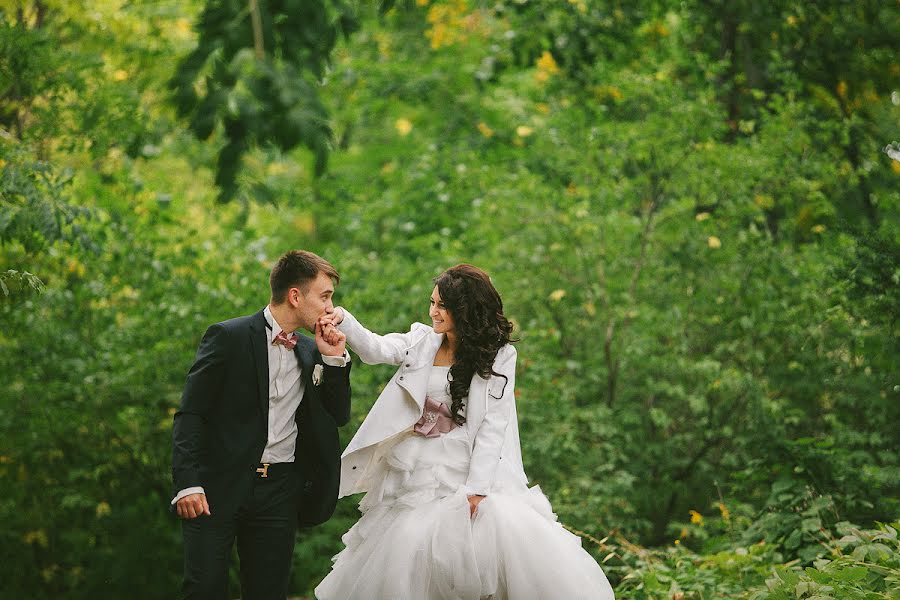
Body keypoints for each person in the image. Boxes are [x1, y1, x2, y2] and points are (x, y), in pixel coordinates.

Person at [314, 264, 614, 599]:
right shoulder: (422, 340)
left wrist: (477, 490)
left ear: (464, 310)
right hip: (415, 465)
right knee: (408, 544)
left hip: (466, 464)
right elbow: (377, 349)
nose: (433, 311)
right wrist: (344, 320)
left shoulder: (499, 355)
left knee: (481, 550)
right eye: (432, 302)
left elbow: (492, 424)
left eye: (441, 306)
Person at [171, 250, 353, 600]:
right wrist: (188, 483)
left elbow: (338, 416)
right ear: (295, 296)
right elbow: (191, 413)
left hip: (280, 491)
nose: (331, 308)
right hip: (216, 487)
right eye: (325, 296)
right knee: (204, 589)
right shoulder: (228, 336)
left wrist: (333, 361)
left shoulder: (311, 349)